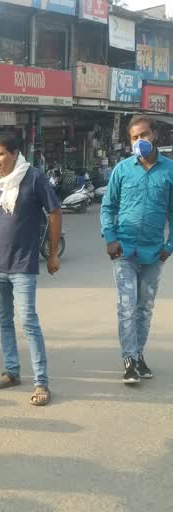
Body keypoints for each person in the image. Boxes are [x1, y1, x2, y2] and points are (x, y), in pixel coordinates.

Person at [0, 131, 62, 407]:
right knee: (4, 321)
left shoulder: (34, 177)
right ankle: (11, 372)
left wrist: (52, 254)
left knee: (28, 322)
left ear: (14, 153)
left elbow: (54, 212)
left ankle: (41, 382)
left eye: (0, 154)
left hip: (23, 265)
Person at [100, 115, 173, 385]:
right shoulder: (122, 170)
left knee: (145, 308)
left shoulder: (169, 170)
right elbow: (108, 207)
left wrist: (169, 246)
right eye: (134, 137)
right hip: (125, 252)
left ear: (155, 135)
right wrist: (110, 237)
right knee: (127, 306)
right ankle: (129, 359)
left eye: (144, 135)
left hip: (154, 254)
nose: (139, 141)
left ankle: (139, 355)